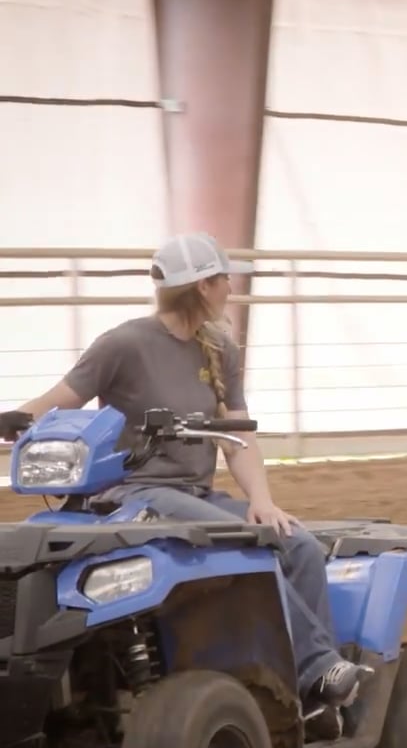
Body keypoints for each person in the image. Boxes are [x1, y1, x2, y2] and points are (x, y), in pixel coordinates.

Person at [6, 232, 373, 716]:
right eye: (225, 278)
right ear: (204, 286)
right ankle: (318, 668)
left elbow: (237, 437)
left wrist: (262, 499)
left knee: (297, 545)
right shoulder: (124, 344)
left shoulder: (221, 349)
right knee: (243, 543)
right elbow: (62, 399)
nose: (230, 288)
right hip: (134, 496)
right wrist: (14, 418)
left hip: (193, 494)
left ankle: (307, 703)